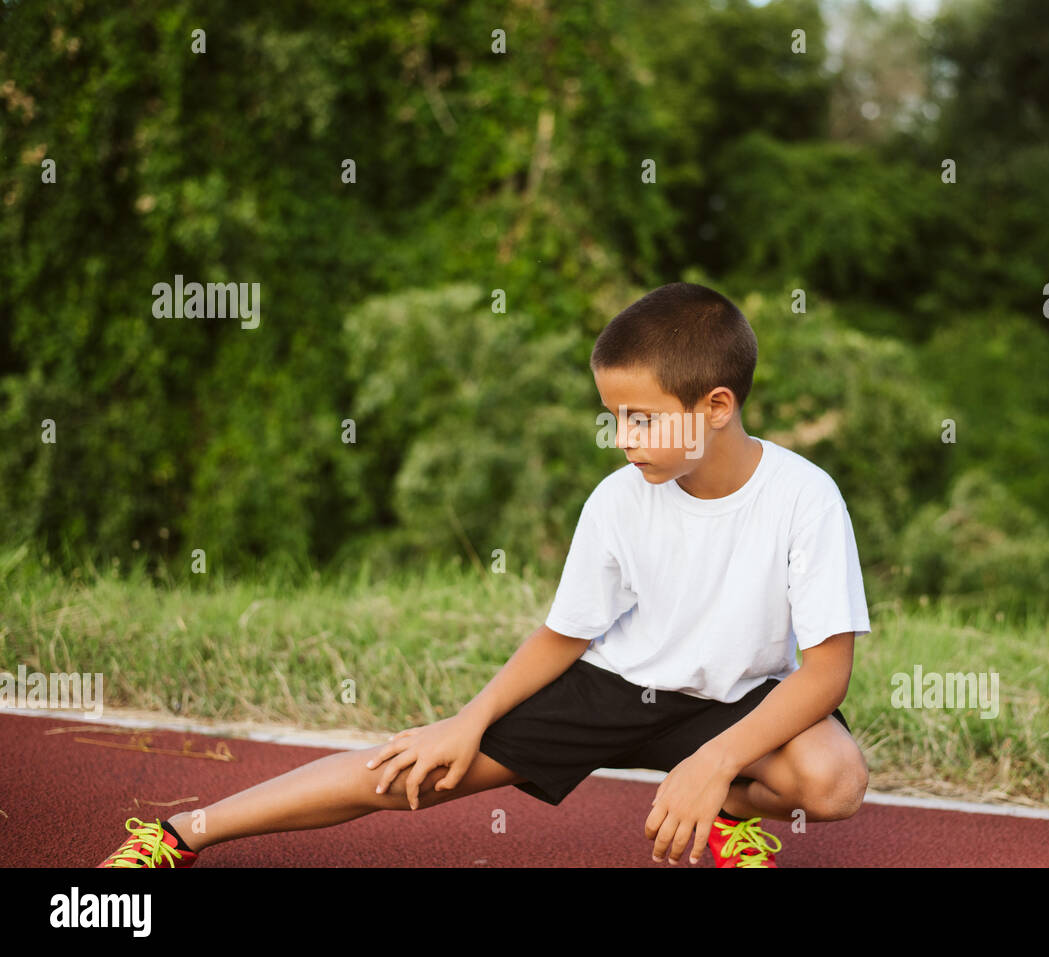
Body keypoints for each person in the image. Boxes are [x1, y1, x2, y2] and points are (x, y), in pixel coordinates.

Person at [98, 281, 872, 869]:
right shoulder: (618, 501)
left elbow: (825, 673)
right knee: (410, 774)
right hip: (611, 687)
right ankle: (180, 833)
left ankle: (725, 811)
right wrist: (467, 719)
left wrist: (714, 762)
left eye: (640, 419)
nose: (621, 439)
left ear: (715, 406)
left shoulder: (804, 497)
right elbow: (563, 634)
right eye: (612, 417)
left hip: (734, 702)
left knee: (834, 780)